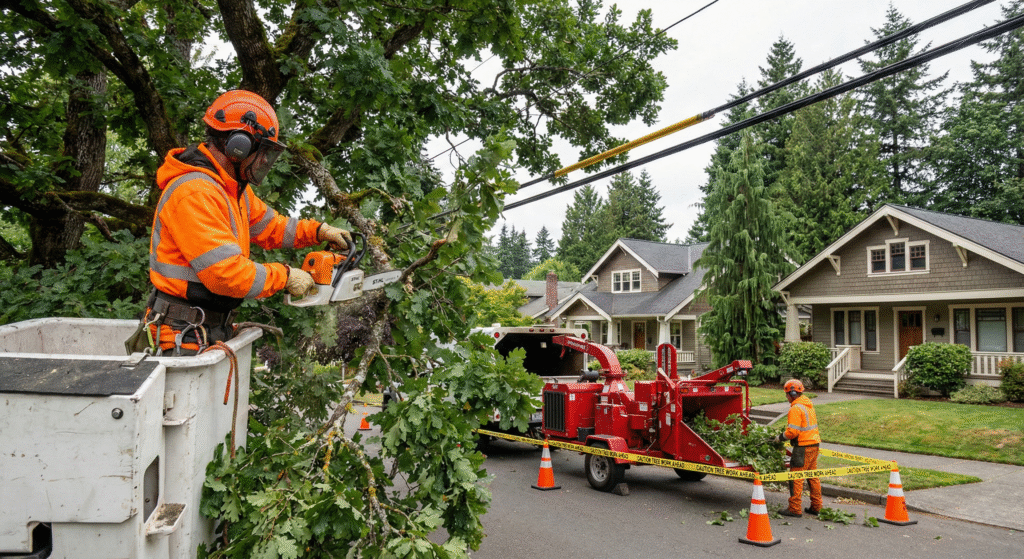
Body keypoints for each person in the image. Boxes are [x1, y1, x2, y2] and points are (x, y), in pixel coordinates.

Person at [128, 89, 351, 355]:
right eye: (263, 151)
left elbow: (272, 227)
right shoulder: (195, 192)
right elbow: (225, 274)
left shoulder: (230, 189)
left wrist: (318, 231)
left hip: (205, 329)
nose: (265, 160)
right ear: (239, 146)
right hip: (179, 334)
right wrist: (285, 276)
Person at [777, 379, 822, 517]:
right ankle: (816, 506)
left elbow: (793, 432)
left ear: (792, 393)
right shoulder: (808, 405)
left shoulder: (796, 408)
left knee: (796, 477)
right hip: (814, 444)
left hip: (802, 447)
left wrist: (780, 438)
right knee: (812, 476)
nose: (786, 397)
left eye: (787, 394)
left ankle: (794, 508)